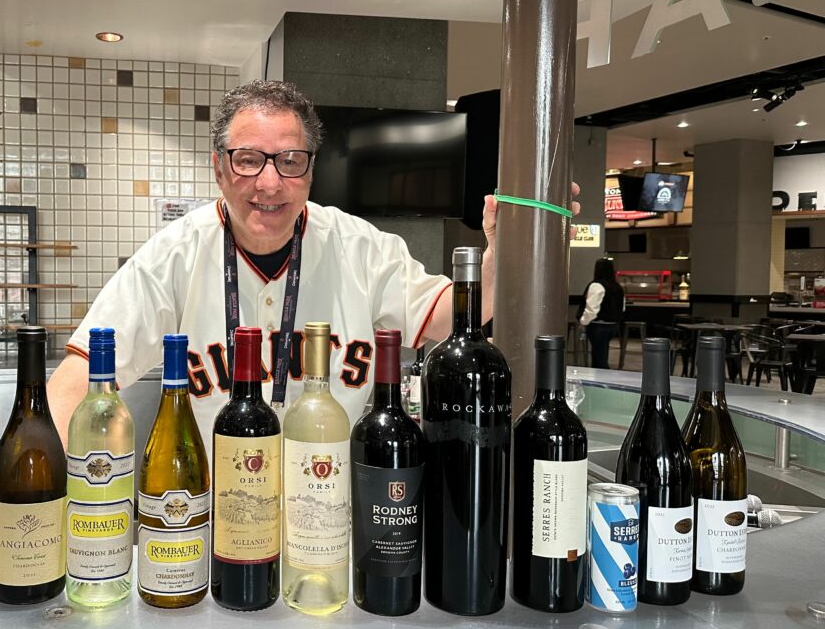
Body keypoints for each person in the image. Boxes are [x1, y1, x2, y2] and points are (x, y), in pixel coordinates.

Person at [48, 80, 580, 445]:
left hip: (330, 519)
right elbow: (80, 376)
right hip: (209, 520)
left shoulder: (359, 246)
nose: (270, 182)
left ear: (311, 169)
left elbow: (444, 316)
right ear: (219, 168)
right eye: (249, 159)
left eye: (290, 160)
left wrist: (502, 254)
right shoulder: (173, 255)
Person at [578, 258, 625, 370]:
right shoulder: (618, 287)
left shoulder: (596, 286)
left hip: (598, 326)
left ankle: (601, 382)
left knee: (599, 359)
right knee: (601, 355)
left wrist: (583, 321)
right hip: (613, 325)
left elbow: (592, 309)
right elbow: (622, 307)